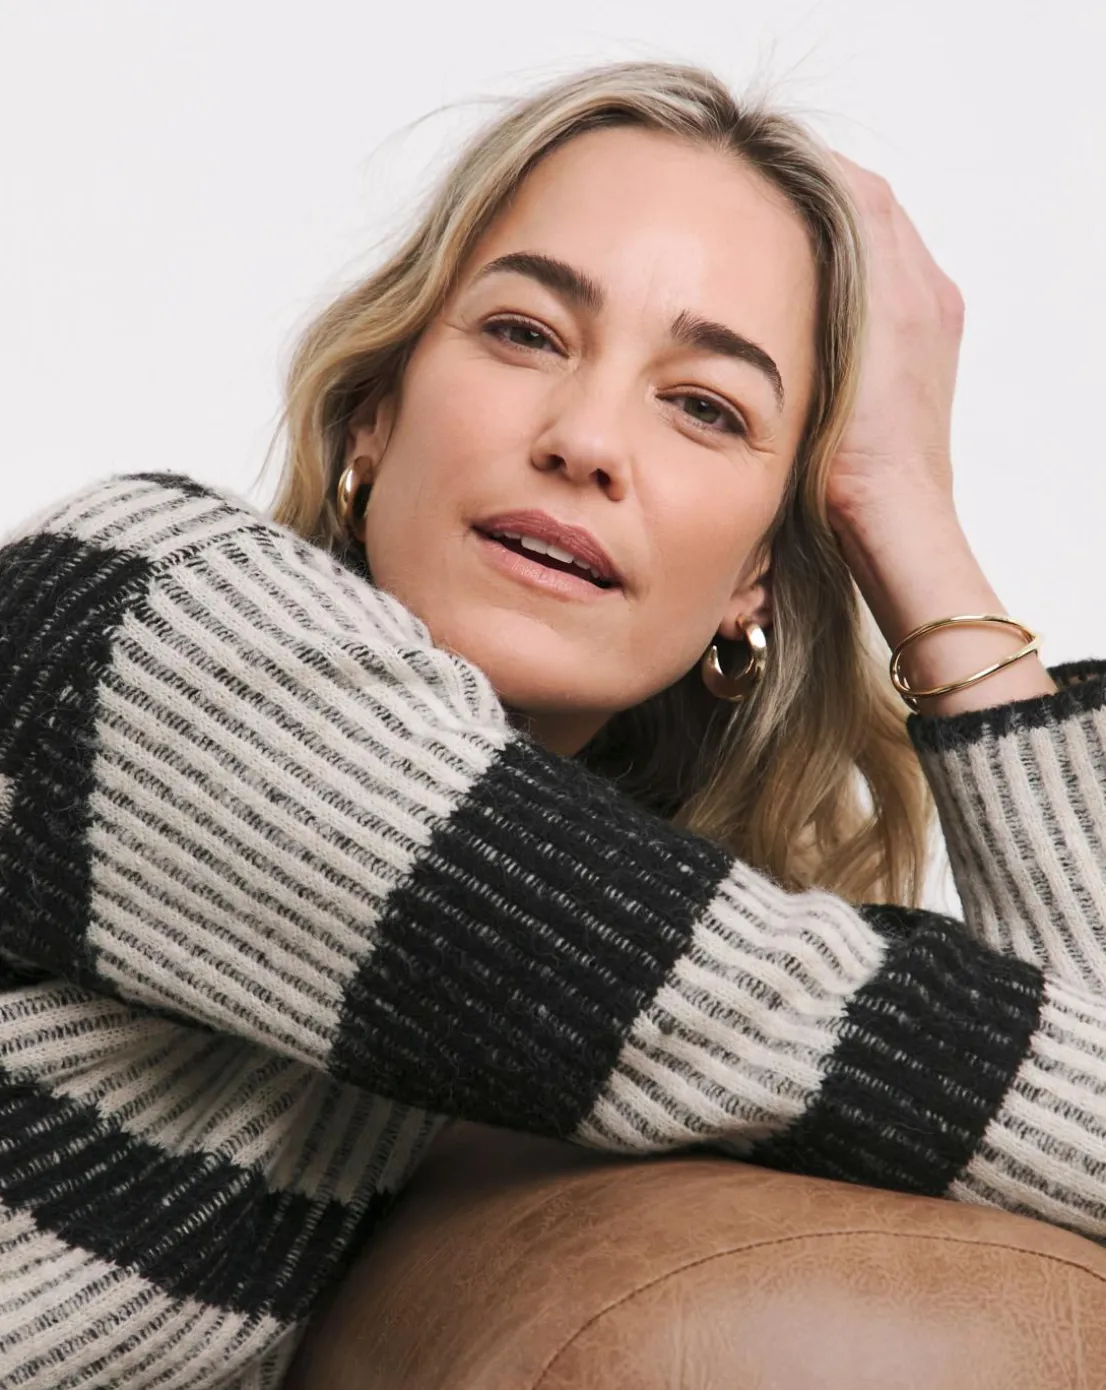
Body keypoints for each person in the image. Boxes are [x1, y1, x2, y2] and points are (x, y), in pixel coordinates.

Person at [1, 58, 1103, 1389]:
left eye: (704, 407)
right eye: (526, 333)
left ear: (755, 578)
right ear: (374, 416)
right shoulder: (149, 618)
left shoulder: (585, 967)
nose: (584, 439)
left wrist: (908, 513)